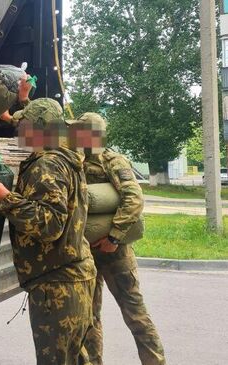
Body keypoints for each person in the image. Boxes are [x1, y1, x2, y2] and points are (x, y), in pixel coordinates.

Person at [0, 98, 96, 365]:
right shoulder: (66, 157)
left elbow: (50, 224)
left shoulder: (47, 164)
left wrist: (5, 197)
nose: (21, 132)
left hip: (58, 288)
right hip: (73, 278)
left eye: (26, 126)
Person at [74, 112, 166, 365]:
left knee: (135, 314)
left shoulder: (112, 161)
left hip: (116, 253)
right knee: (88, 317)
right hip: (86, 253)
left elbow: (134, 198)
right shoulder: (74, 161)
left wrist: (113, 238)